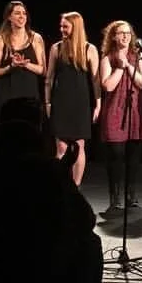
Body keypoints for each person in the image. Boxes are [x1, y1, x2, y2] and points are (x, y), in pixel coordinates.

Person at [98, 20, 142, 212]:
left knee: (133, 154)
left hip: (135, 108)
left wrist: (128, 65)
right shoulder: (107, 59)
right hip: (115, 108)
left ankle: (131, 195)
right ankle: (115, 196)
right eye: (121, 33)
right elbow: (108, 86)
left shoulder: (140, 57)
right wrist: (120, 67)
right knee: (116, 153)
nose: (125, 36)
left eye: (128, 33)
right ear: (113, 36)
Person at [46, 12, 100, 187]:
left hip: (80, 103)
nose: (62, 29)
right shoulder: (56, 48)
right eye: (61, 26)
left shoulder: (88, 49)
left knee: (78, 146)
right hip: (61, 101)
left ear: (75, 28)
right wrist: (47, 102)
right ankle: (61, 184)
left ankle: (75, 186)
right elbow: (49, 78)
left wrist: (98, 104)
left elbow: (95, 79)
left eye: (65, 26)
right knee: (61, 148)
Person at [0, 0, 47, 125]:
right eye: (17, 13)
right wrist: (11, 66)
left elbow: (43, 71)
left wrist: (26, 64)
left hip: (29, 96)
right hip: (7, 96)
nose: (22, 17)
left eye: (24, 13)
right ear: (9, 17)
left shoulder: (35, 38)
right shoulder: (0, 40)